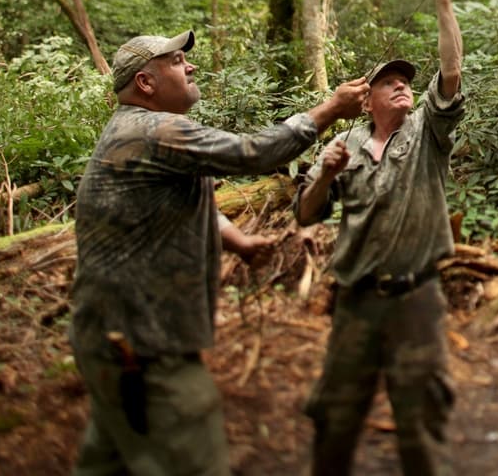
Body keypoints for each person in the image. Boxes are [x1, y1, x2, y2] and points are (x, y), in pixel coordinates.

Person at [70, 28, 369, 476]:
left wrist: (239, 242)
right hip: (142, 346)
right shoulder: (152, 130)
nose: (190, 66)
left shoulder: (142, 133)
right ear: (146, 83)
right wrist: (329, 109)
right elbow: (252, 153)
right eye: (176, 62)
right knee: (194, 455)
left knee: (109, 459)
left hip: (114, 338)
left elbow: (181, 204)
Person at [295, 0, 463, 476]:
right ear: (365, 101)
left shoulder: (426, 133)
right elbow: (305, 215)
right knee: (335, 419)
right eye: (388, 83)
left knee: (422, 426)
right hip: (355, 305)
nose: (401, 87)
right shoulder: (341, 145)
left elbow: (452, 73)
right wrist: (324, 174)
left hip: (417, 301)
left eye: (404, 82)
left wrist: (443, 2)